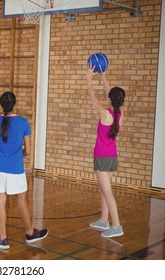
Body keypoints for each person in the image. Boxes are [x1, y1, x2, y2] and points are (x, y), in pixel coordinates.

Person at [0, 91, 49, 250]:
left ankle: (3, 239)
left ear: (1, 105)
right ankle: (29, 233)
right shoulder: (23, 123)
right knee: (22, 200)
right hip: (16, 167)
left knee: (0, 201)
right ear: (14, 104)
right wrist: (15, 153)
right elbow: (27, 151)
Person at [86, 65, 125, 238]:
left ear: (110, 100)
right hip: (112, 157)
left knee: (107, 191)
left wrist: (89, 77)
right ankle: (104, 220)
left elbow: (92, 96)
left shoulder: (104, 113)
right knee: (103, 188)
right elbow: (113, 96)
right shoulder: (119, 114)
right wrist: (103, 78)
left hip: (102, 157)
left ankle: (116, 226)